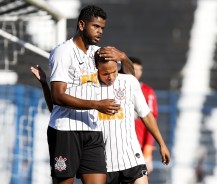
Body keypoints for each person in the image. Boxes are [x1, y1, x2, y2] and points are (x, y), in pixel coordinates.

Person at [45, 5, 134, 184]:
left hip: (93, 130)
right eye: (95, 26)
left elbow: (131, 79)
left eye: (102, 28)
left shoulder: (98, 53)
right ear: (81, 25)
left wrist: (123, 57)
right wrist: (97, 105)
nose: (100, 31)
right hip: (65, 130)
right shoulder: (63, 53)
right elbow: (58, 96)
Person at [95, 52, 170, 184]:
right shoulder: (89, 86)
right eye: (106, 73)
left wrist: (161, 144)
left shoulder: (129, 82)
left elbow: (147, 114)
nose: (111, 77)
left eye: (114, 72)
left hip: (132, 156)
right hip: (104, 161)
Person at [129, 57, 158, 173]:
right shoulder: (116, 87)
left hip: (139, 145)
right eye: (134, 69)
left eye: (139, 69)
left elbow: (152, 120)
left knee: (140, 177)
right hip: (119, 143)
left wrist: (148, 148)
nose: (137, 72)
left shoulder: (147, 91)